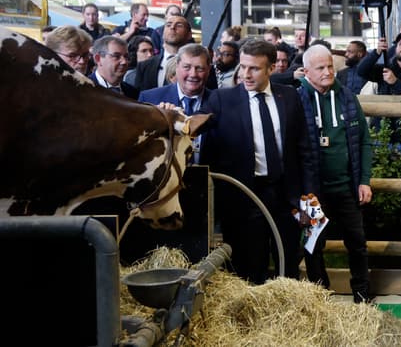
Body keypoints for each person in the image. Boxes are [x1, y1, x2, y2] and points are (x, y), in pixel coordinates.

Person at [200, 39, 317, 283]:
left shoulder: (290, 97)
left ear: (271, 69)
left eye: (254, 68)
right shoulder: (222, 100)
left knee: (288, 264)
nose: (245, 74)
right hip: (243, 198)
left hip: (286, 195)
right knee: (249, 268)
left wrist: (308, 195)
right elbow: (209, 155)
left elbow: (304, 149)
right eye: (243, 67)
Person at [297, 45, 374, 303]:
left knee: (357, 243)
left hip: (347, 186)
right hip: (310, 191)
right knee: (313, 245)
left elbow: (364, 141)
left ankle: (362, 295)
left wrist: (364, 181)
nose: (328, 72)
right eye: (320, 68)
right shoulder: (297, 99)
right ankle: (321, 298)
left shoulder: (348, 97)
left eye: (330, 66)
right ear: (306, 71)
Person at [134, 15, 194, 91]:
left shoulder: (200, 66)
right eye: (168, 25)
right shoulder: (144, 66)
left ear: (189, 35)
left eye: (179, 25)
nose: (172, 27)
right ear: (162, 34)